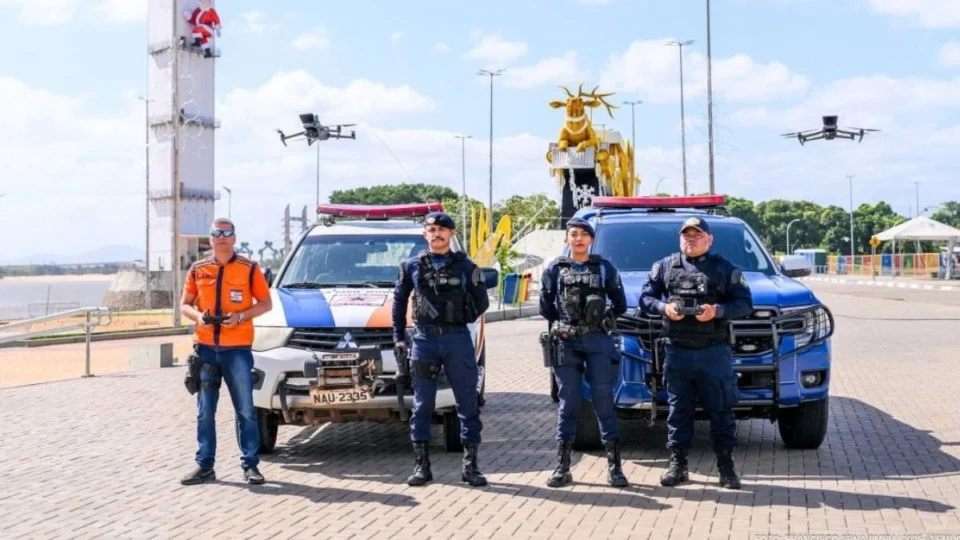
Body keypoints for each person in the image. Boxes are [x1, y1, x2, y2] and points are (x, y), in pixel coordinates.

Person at [638, 216, 753, 489]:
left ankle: (726, 468)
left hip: (714, 352)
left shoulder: (725, 269)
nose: (691, 239)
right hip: (677, 351)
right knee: (678, 411)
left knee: (721, 410)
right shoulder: (664, 267)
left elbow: (745, 304)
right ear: (680, 239)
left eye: (697, 235)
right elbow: (645, 298)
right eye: (686, 235)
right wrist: (664, 308)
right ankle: (678, 466)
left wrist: (717, 311)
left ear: (709, 239)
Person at [392, 211, 490, 487]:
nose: (437, 234)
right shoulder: (411, 266)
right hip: (424, 341)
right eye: (432, 230)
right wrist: (399, 337)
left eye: (442, 230)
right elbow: (399, 302)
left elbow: (482, 301)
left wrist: (458, 316)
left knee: (467, 403)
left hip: (457, 339)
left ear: (451, 233)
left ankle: (471, 468)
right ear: (425, 234)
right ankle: (422, 467)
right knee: (422, 405)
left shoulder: (466, 267)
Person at [179, 217, 273, 486]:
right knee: (204, 411)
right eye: (216, 233)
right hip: (206, 349)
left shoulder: (249, 268)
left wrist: (240, 317)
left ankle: (250, 465)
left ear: (234, 238)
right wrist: (199, 317)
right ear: (210, 239)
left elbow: (265, 303)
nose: (221, 237)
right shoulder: (198, 269)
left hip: (237, 351)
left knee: (245, 410)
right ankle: (204, 465)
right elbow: (185, 304)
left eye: (226, 232)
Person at [539, 217, 629, 488]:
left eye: (583, 234)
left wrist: (603, 317)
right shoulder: (554, 268)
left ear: (591, 239)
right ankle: (562, 467)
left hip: (597, 340)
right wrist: (564, 325)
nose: (578, 239)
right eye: (573, 234)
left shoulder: (604, 268)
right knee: (568, 403)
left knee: (603, 400)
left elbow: (620, 304)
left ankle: (615, 468)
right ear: (566, 239)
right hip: (567, 342)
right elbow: (546, 307)